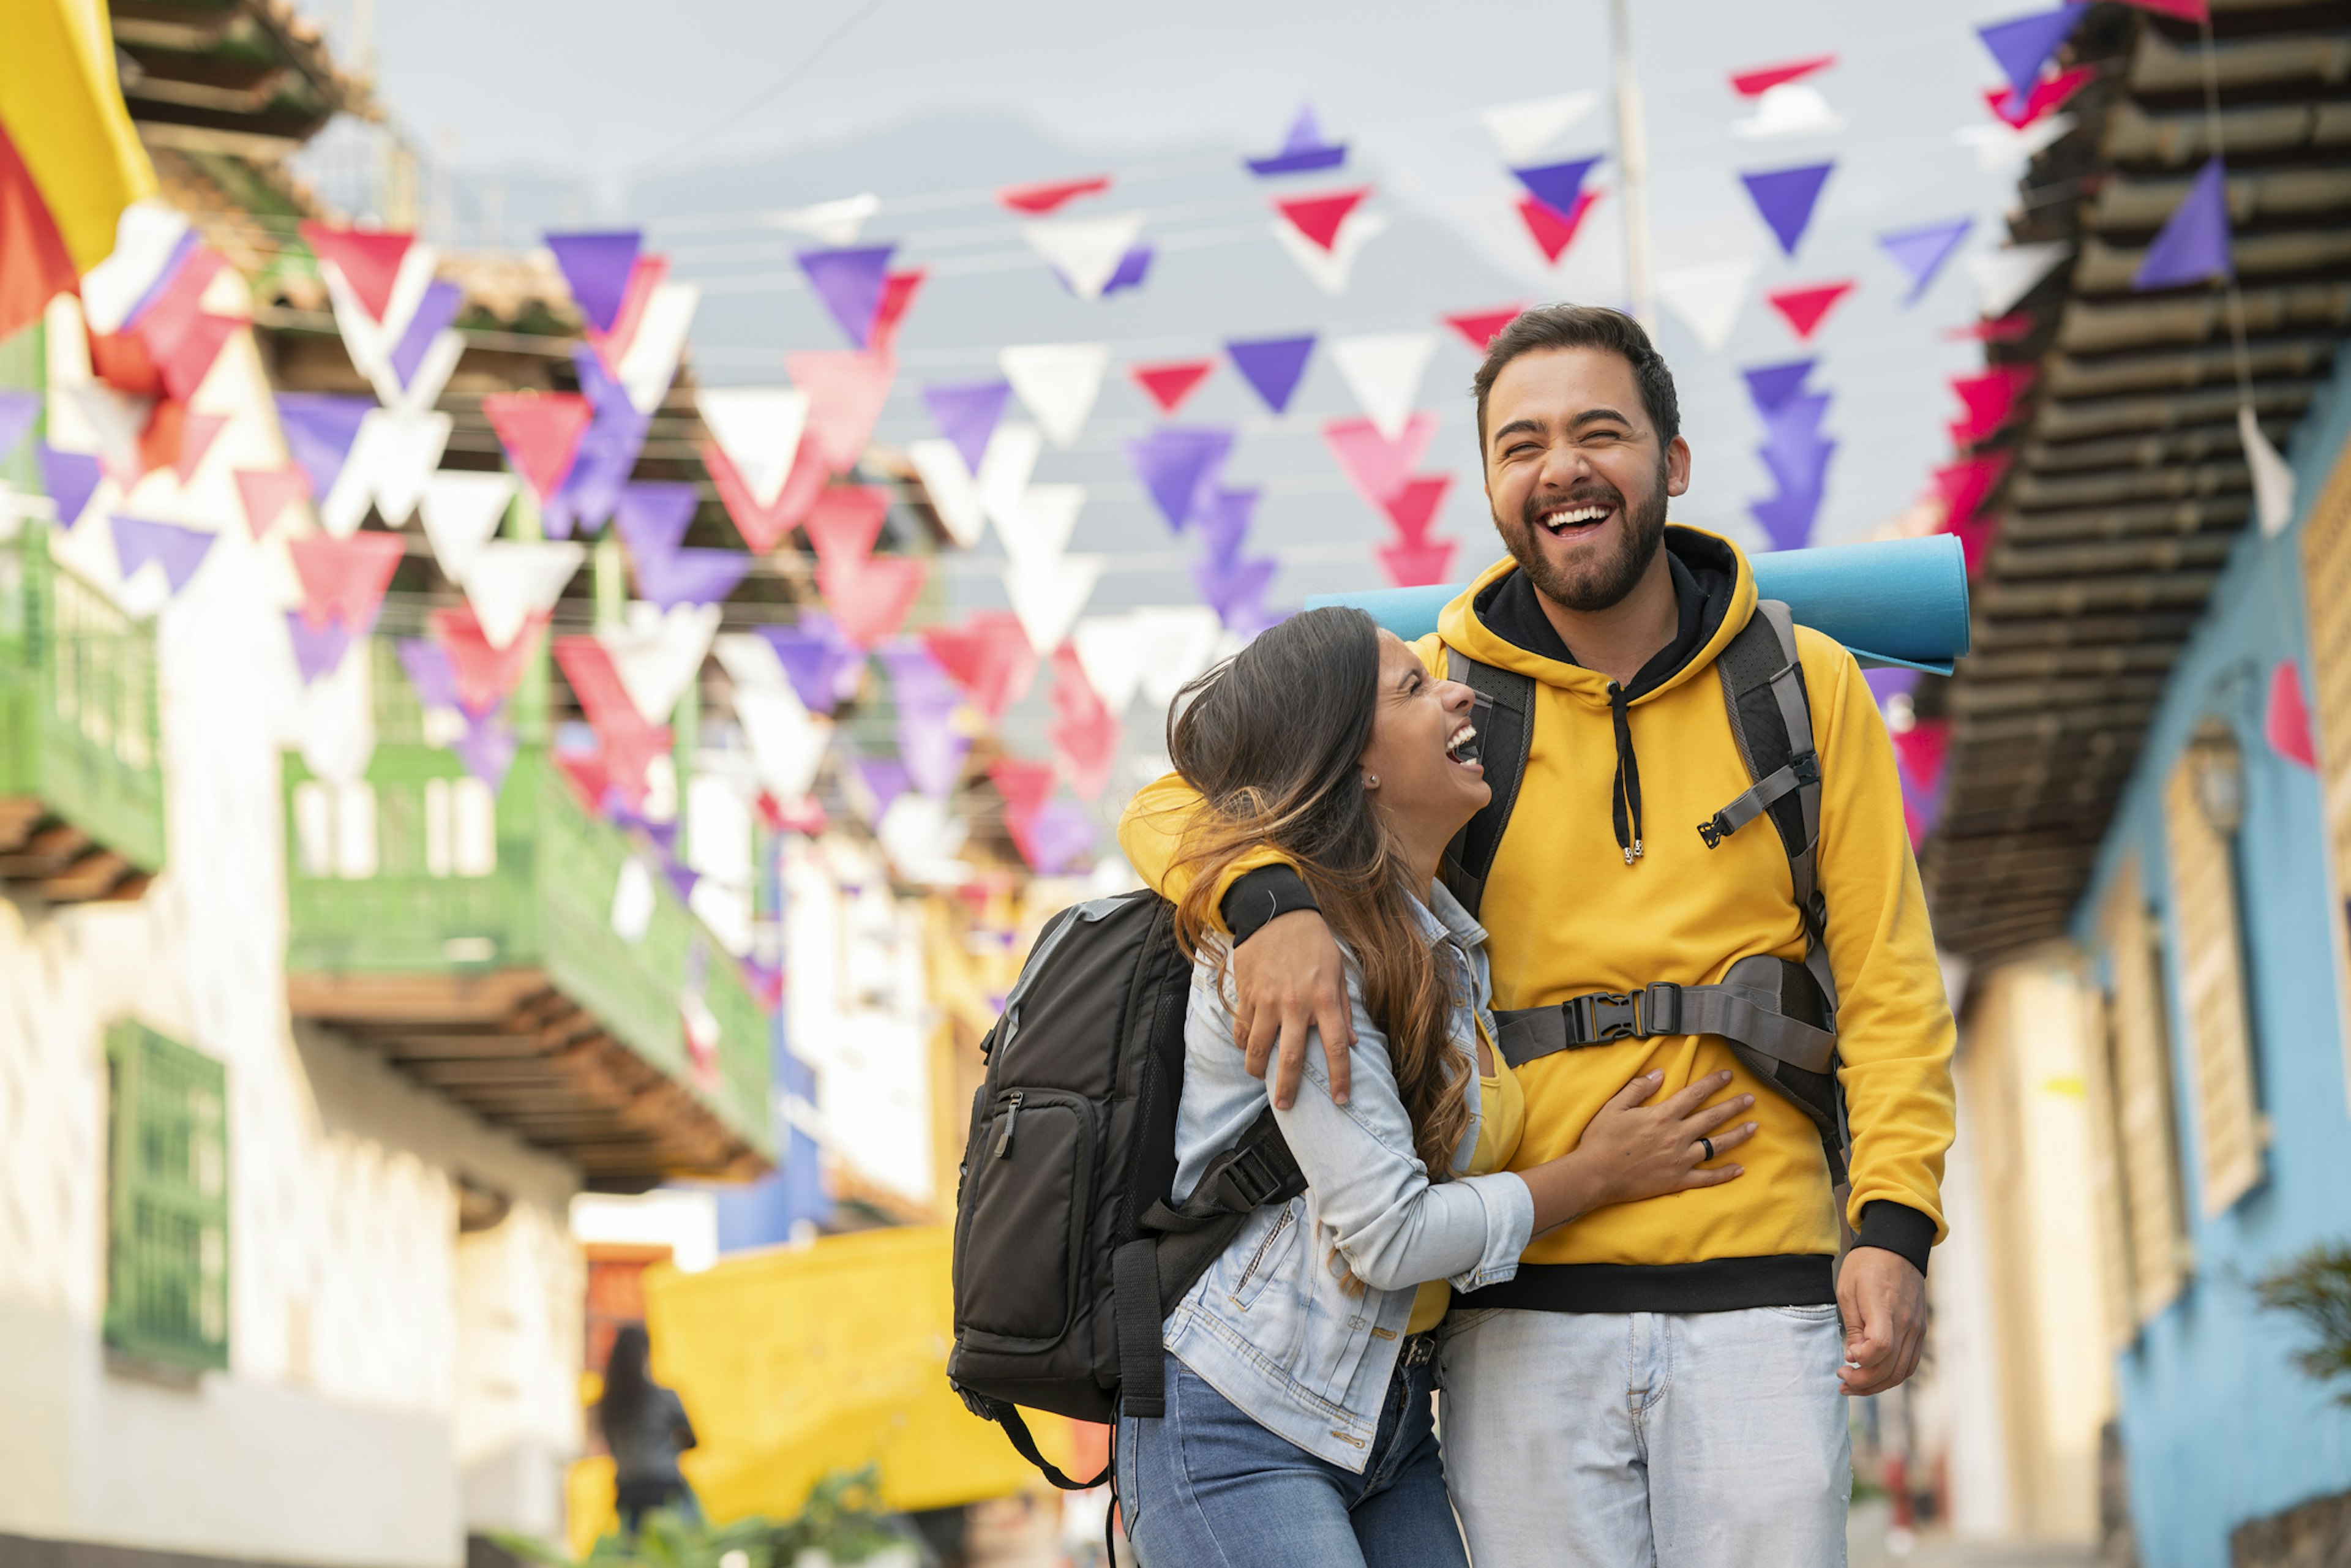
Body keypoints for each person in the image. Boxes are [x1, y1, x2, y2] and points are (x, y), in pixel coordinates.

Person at [1120, 304, 1957, 1567]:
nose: (1560, 464)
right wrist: (1267, 902)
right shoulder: (1439, 687)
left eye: (1598, 431)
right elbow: (1175, 799)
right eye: (1522, 444)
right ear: (1495, 489)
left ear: (1671, 465)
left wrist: (1893, 1223)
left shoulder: (1801, 682)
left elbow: (1891, 983)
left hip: (1764, 1285)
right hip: (1518, 1310)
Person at [1116, 605, 1763, 1568]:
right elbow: (1390, 1237)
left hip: (1386, 1420)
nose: (1460, 691)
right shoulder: (1302, 953)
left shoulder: (1446, 945)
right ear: (1355, 761)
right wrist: (1596, 1175)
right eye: (1414, 687)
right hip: (1238, 1422)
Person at [598, 1322, 699, 1535]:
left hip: (628, 1489)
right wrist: (672, 1443)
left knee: (635, 1554)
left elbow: (612, 1446)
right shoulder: (663, 1397)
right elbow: (693, 1440)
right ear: (645, 1354)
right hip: (664, 1487)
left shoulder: (609, 1405)